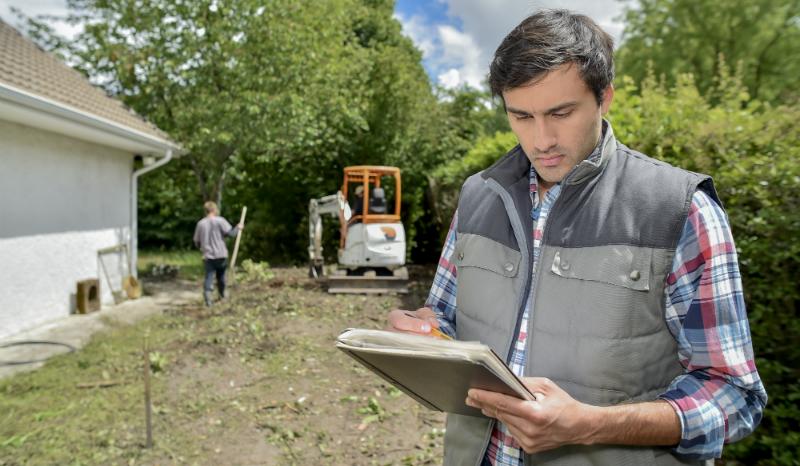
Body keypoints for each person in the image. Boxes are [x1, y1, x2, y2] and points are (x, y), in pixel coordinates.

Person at [386, 9, 766, 466]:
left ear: (604, 97)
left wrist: (591, 424)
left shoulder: (680, 209)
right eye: (521, 115)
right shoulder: (476, 196)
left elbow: (733, 394)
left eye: (560, 113)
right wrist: (428, 335)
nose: (541, 139)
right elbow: (450, 323)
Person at [193, 201, 243, 306]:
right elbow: (231, 234)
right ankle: (221, 296)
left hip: (208, 256)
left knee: (209, 277)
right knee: (221, 277)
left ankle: (208, 300)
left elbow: (196, 241)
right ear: (214, 210)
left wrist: (202, 248)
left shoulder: (201, 224)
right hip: (221, 254)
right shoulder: (220, 221)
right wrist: (238, 228)